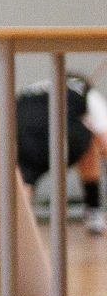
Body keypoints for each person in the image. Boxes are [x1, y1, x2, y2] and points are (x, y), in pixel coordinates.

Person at [17, 75, 104, 236]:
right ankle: (94, 211)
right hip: (67, 140)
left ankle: (15, 229)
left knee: (23, 185)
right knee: (91, 139)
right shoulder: (85, 90)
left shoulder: (31, 90)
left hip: (23, 140)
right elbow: (104, 137)